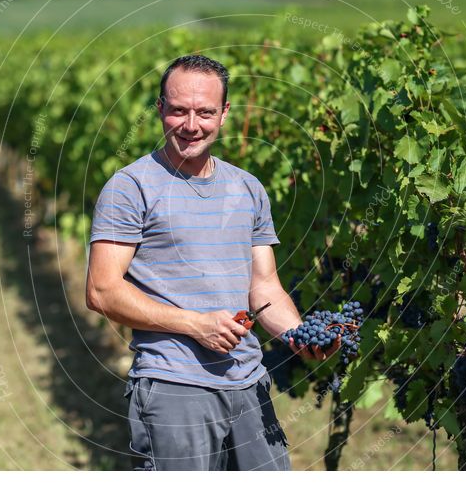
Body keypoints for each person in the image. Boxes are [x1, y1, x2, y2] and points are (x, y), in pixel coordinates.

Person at [85, 54, 340, 471]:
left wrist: (298, 335)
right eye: (179, 110)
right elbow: (101, 290)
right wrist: (195, 324)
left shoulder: (248, 188)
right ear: (160, 110)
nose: (191, 125)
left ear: (223, 114)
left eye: (204, 112)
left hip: (248, 380)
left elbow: (265, 287)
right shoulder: (130, 188)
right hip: (174, 386)